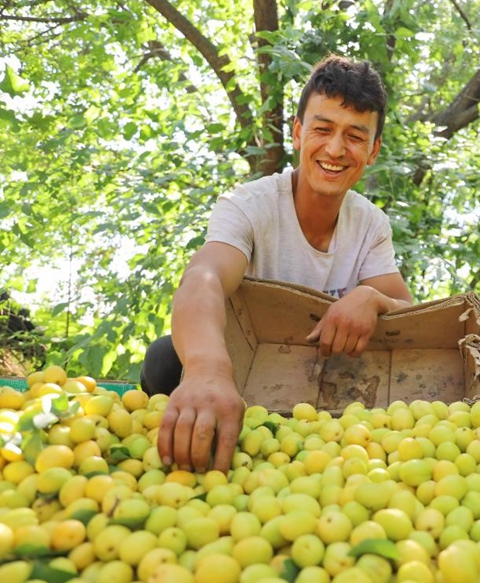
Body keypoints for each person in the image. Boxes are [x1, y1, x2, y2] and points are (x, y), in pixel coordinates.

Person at [141, 55, 413, 472]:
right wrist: (207, 369)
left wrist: (372, 297)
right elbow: (204, 277)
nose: (336, 149)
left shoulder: (370, 224)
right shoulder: (248, 205)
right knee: (164, 360)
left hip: (332, 394)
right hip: (243, 380)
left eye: (355, 136)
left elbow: (412, 316)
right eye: (322, 129)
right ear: (299, 133)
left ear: (373, 150)